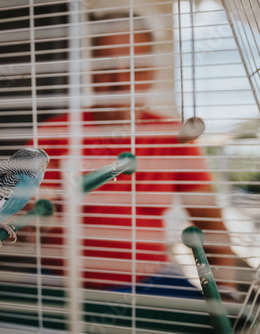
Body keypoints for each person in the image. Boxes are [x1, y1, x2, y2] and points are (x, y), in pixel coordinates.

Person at [25, 13, 237, 298]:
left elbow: (211, 225)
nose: (120, 80)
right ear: (90, 70)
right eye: (107, 66)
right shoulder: (55, 132)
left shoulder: (173, 137)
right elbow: (24, 207)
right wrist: (26, 212)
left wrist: (226, 291)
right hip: (59, 281)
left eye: (134, 67)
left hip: (149, 281)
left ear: (150, 73)